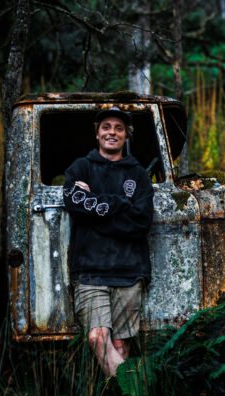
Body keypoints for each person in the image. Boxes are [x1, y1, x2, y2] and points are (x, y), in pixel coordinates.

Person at [63, 107, 154, 378]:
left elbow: (141, 222)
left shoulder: (138, 174)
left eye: (118, 128)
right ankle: (134, 394)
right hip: (90, 272)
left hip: (129, 270)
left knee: (120, 344)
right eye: (106, 127)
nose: (112, 132)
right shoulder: (81, 167)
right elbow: (73, 201)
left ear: (126, 135)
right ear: (97, 133)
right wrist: (120, 203)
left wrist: (95, 210)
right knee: (97, 338)